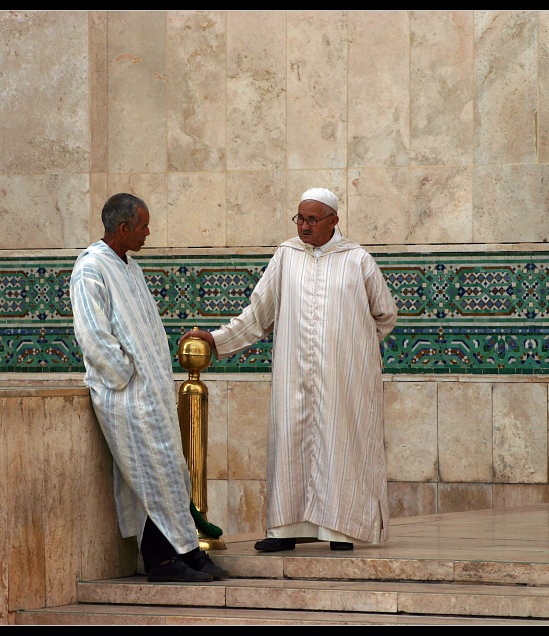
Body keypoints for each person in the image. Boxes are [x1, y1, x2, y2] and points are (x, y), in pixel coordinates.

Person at [180, 187, 398, 552]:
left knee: (340, 445)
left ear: (334, 221)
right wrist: (216, 339)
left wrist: (351, 346)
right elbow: (258, 313)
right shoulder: (286, 255)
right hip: (292, 371)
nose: (304, 226)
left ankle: (340, 531)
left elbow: (385, 314)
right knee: (291, 440)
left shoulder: (357, 259)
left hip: (342, 377)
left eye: (312, 219)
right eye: (299, 218)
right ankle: (284, 531)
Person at [69, 192, 229, 582]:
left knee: (169, 472)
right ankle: (161, 561)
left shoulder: (130, 267)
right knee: (150, 476)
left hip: (150, 395)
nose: (147, 232)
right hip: (125, 395)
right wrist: (125, 378)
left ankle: (187, 552)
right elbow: (93, 334)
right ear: (123, 228)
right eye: (143, 226)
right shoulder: (91, 269)